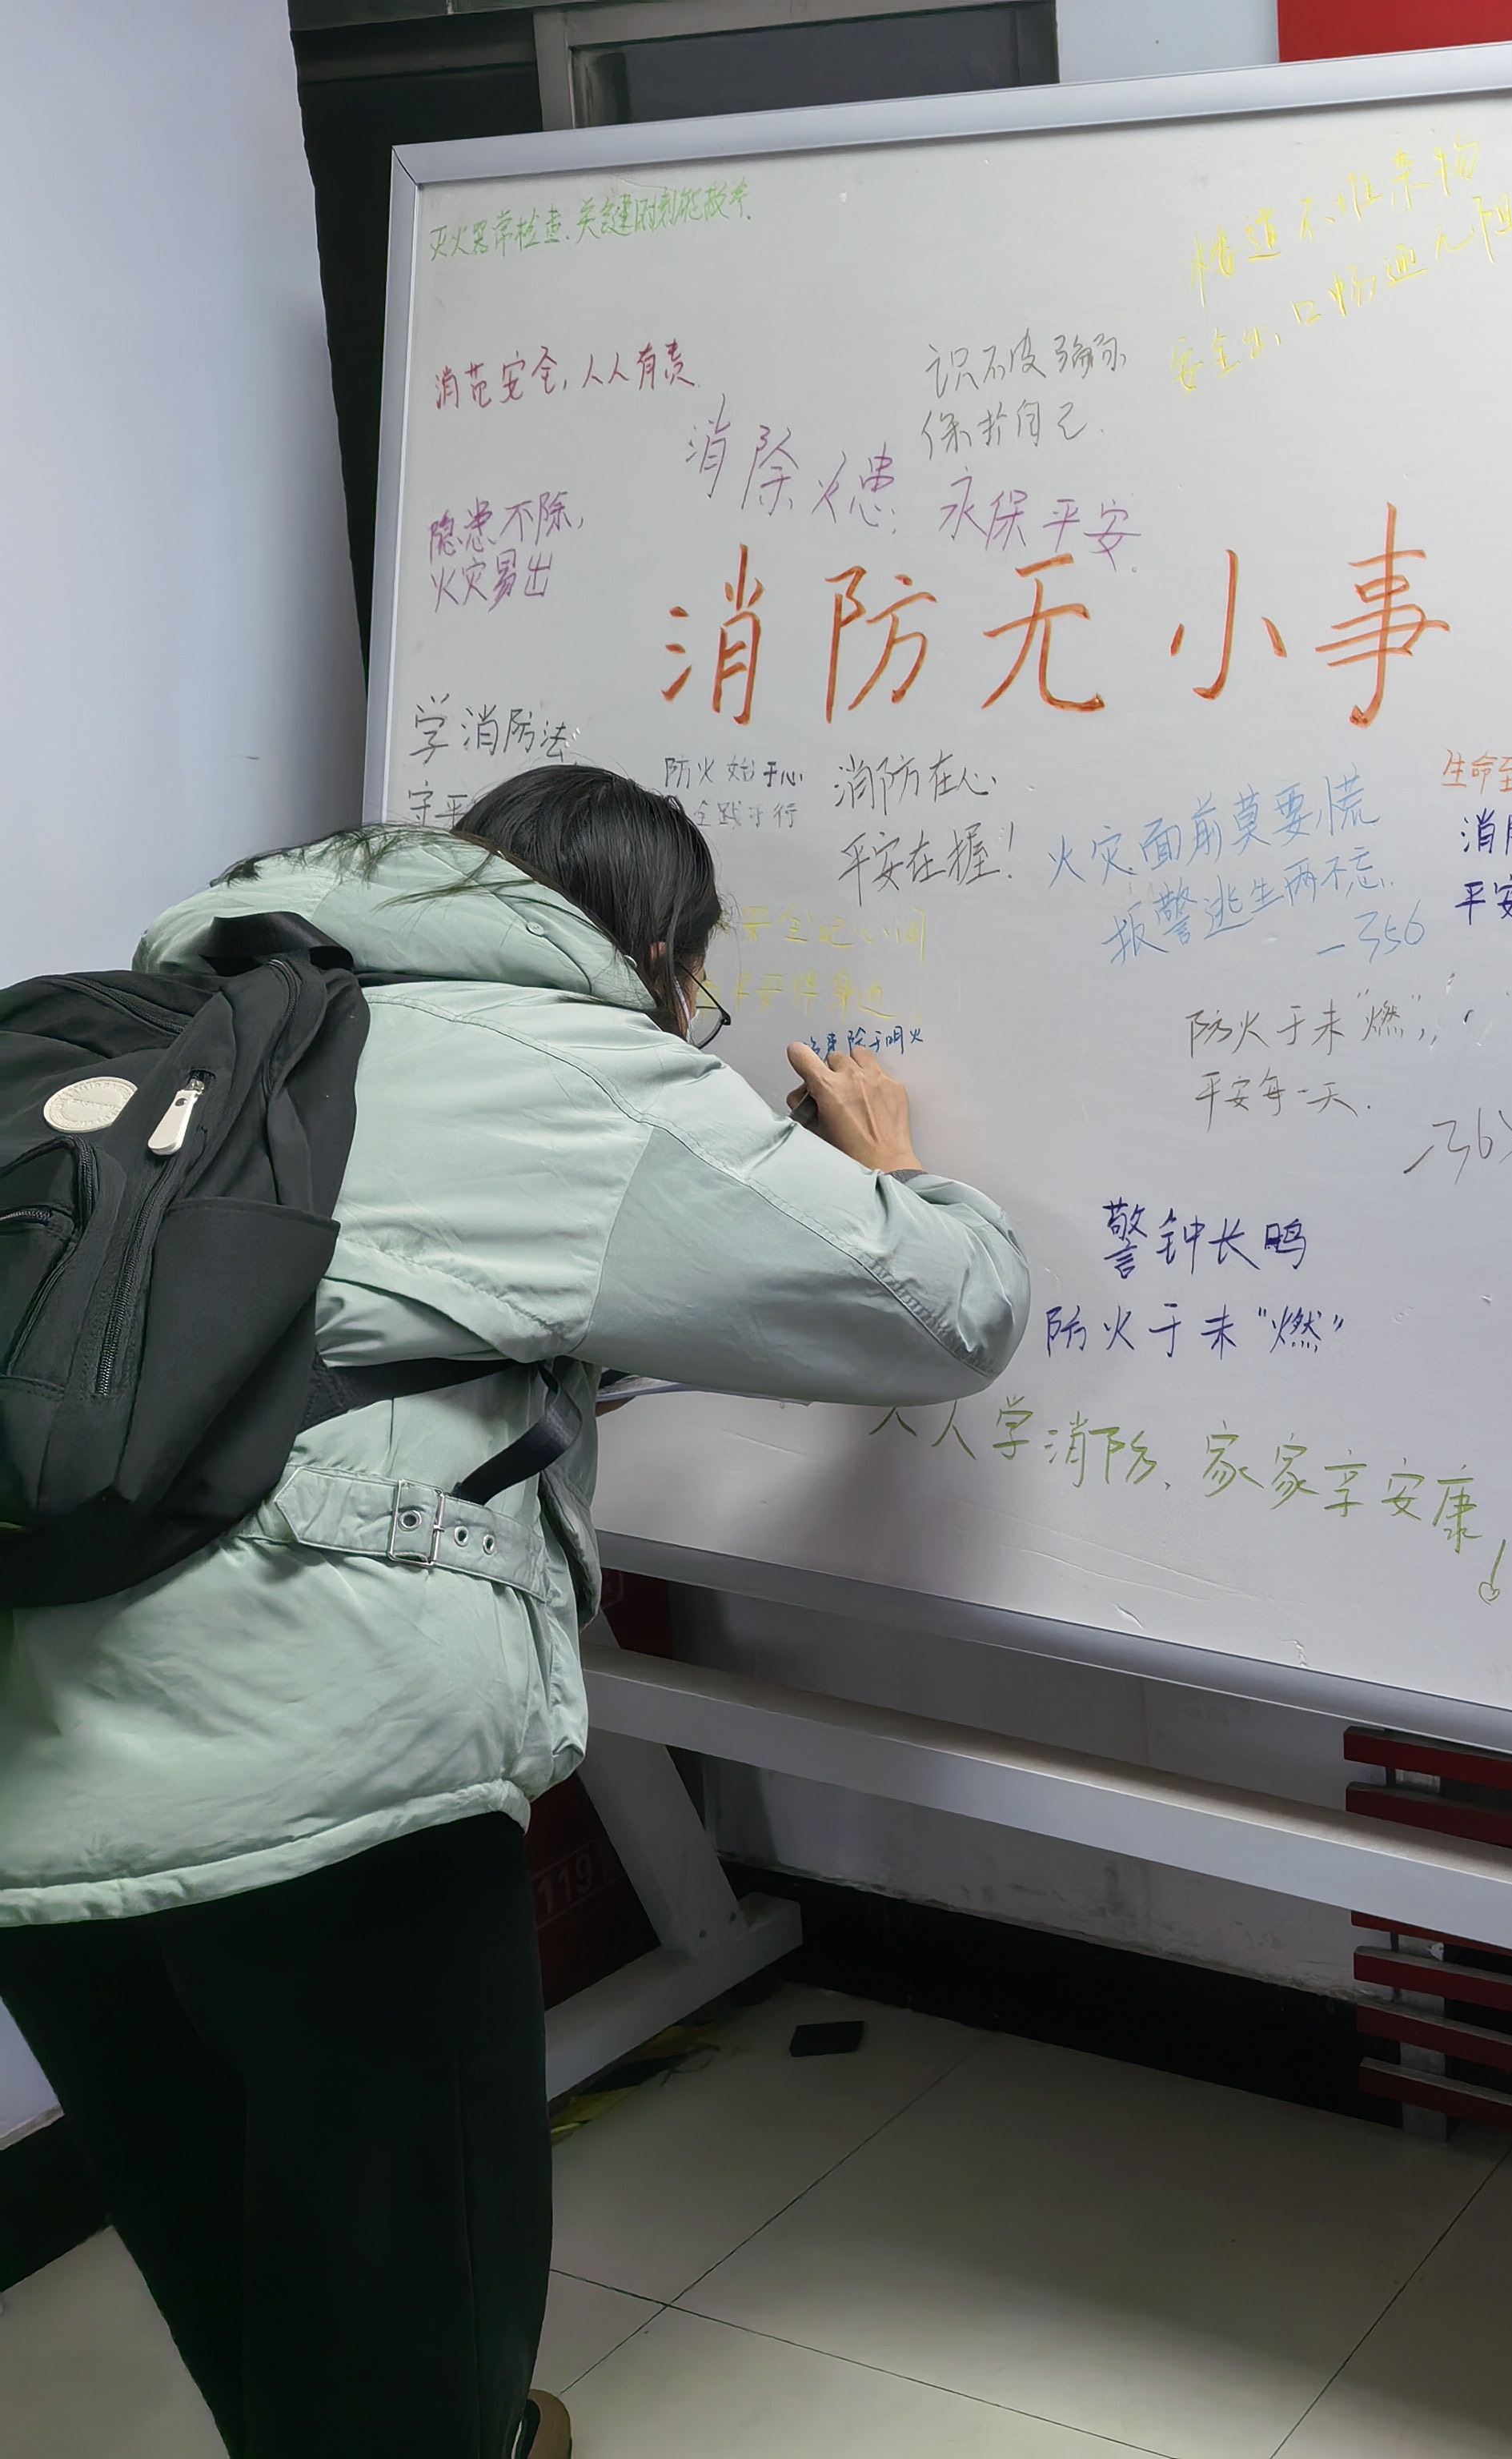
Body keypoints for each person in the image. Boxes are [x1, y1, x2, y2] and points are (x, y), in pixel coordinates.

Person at [0, 768, 1029, 2459]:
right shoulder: (555, 1055)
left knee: (221, 2236)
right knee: (411, 2294)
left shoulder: (189, 1029)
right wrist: (900, 1172)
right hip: (328, 1775)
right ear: (658, 954)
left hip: (34, 1767)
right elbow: (941, 1312)